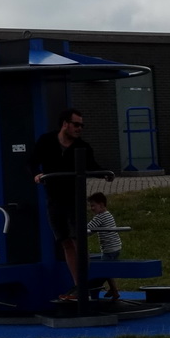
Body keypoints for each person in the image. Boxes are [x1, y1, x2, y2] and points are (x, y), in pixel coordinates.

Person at [29, 107, 105, 300]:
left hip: (74, 198)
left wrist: (106, 173)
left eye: (82, 125)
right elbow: (31, 162)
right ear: (65, 124)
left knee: (79, 240)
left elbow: (93, 166)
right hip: (54, 199)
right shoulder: (46, 141)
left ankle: (83, 284)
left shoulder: (83, 147)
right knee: (65, 241)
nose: (80, 128)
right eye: (76, 124)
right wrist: (36, 174)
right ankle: (78, 284)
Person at [87, 191, 122, 300]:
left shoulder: (100, 217)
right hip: (116, 247)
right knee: (108, 270)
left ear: (101, 205)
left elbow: (88, 228)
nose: (91, 208)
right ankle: (113, 290)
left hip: (109, 249)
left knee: (103, 271)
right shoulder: (108, 214)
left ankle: (113, 291)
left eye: (93, 205)